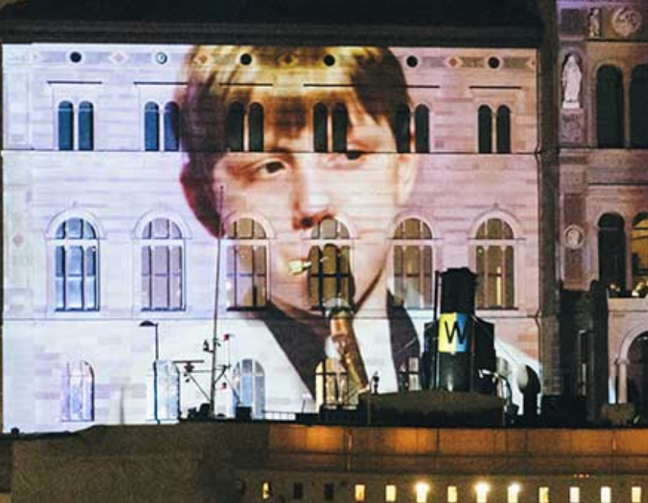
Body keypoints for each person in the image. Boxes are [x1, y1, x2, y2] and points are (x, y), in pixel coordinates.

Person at [174, 45, 535, 417]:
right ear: (202, 199)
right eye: (269, 167)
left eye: (349, 154)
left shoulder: (516, 378)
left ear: (405, 165)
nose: (314, 205)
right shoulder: (173, 380)